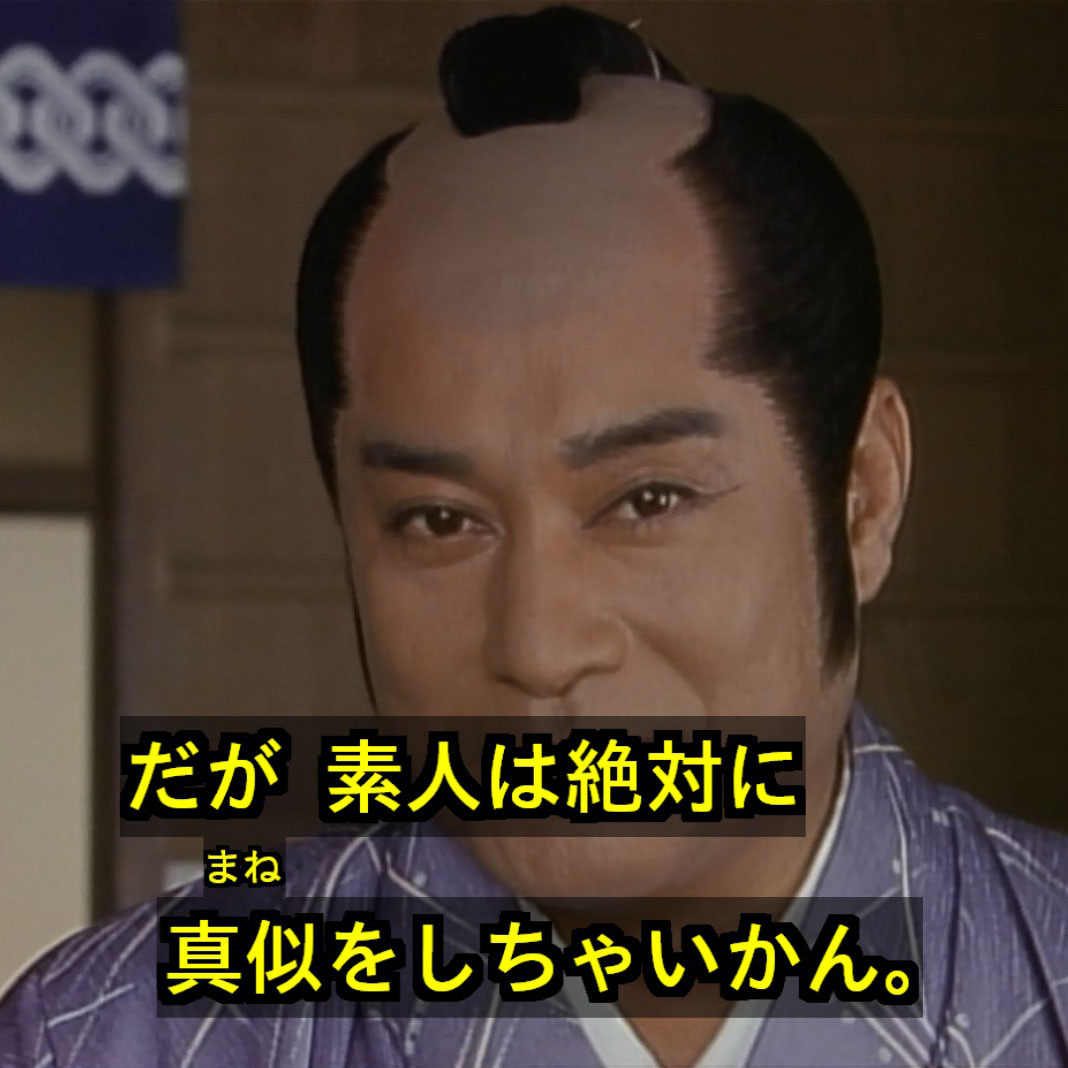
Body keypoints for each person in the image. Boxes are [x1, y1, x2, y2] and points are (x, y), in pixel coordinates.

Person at [2, 6, 1067, 1067]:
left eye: (648, 501)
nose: (539, 647)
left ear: (863, 495)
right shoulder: (104, 1041)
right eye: (440, 520)